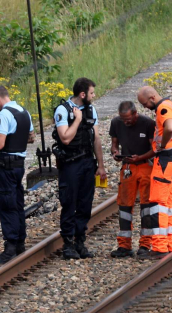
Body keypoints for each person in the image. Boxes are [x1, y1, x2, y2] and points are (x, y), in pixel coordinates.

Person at [52, 77, 107, 259]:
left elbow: (96, 139)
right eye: (92, 93)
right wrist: (77, 120)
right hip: (70, 164)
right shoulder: (63, 111)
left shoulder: (91, 109)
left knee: (85, 204)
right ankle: (68, 244)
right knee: (69, 202)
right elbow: (65, 138)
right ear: (82, 94)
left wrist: (100, 165)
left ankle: (80, 242)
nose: (94, 95)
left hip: (87, 162)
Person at [0, 85, 35, 264]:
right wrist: (2, 135)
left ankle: (10, 246)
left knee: (7, 204)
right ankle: (20, 242)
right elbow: (31, 137)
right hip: (19, 165)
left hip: (6, 166)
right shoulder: (24, 112)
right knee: (17, 203)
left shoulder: (4, 114)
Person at [137, 86, 172, 259]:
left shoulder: (162, 108)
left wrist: (163, 145)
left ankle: (159, 247)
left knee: (158, 204)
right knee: (169, 204)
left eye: (144, 103)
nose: (144, 108)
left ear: (151, 97)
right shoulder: (171, 105)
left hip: (165, 159)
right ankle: (171, 244)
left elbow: (171, 127)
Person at [109, 101, 156, 258]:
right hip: (128, 167)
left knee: (147, 205)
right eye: (123, 119)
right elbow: (114, 144)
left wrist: (140, 157)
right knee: (124, 206)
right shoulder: (116, 123)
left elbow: (155, 149)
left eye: (128, 119)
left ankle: (145, 244)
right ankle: (124, 245)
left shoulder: (148, 124)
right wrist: (115, 152)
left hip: (145, 166)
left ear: (136, 113)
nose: (126, 122)